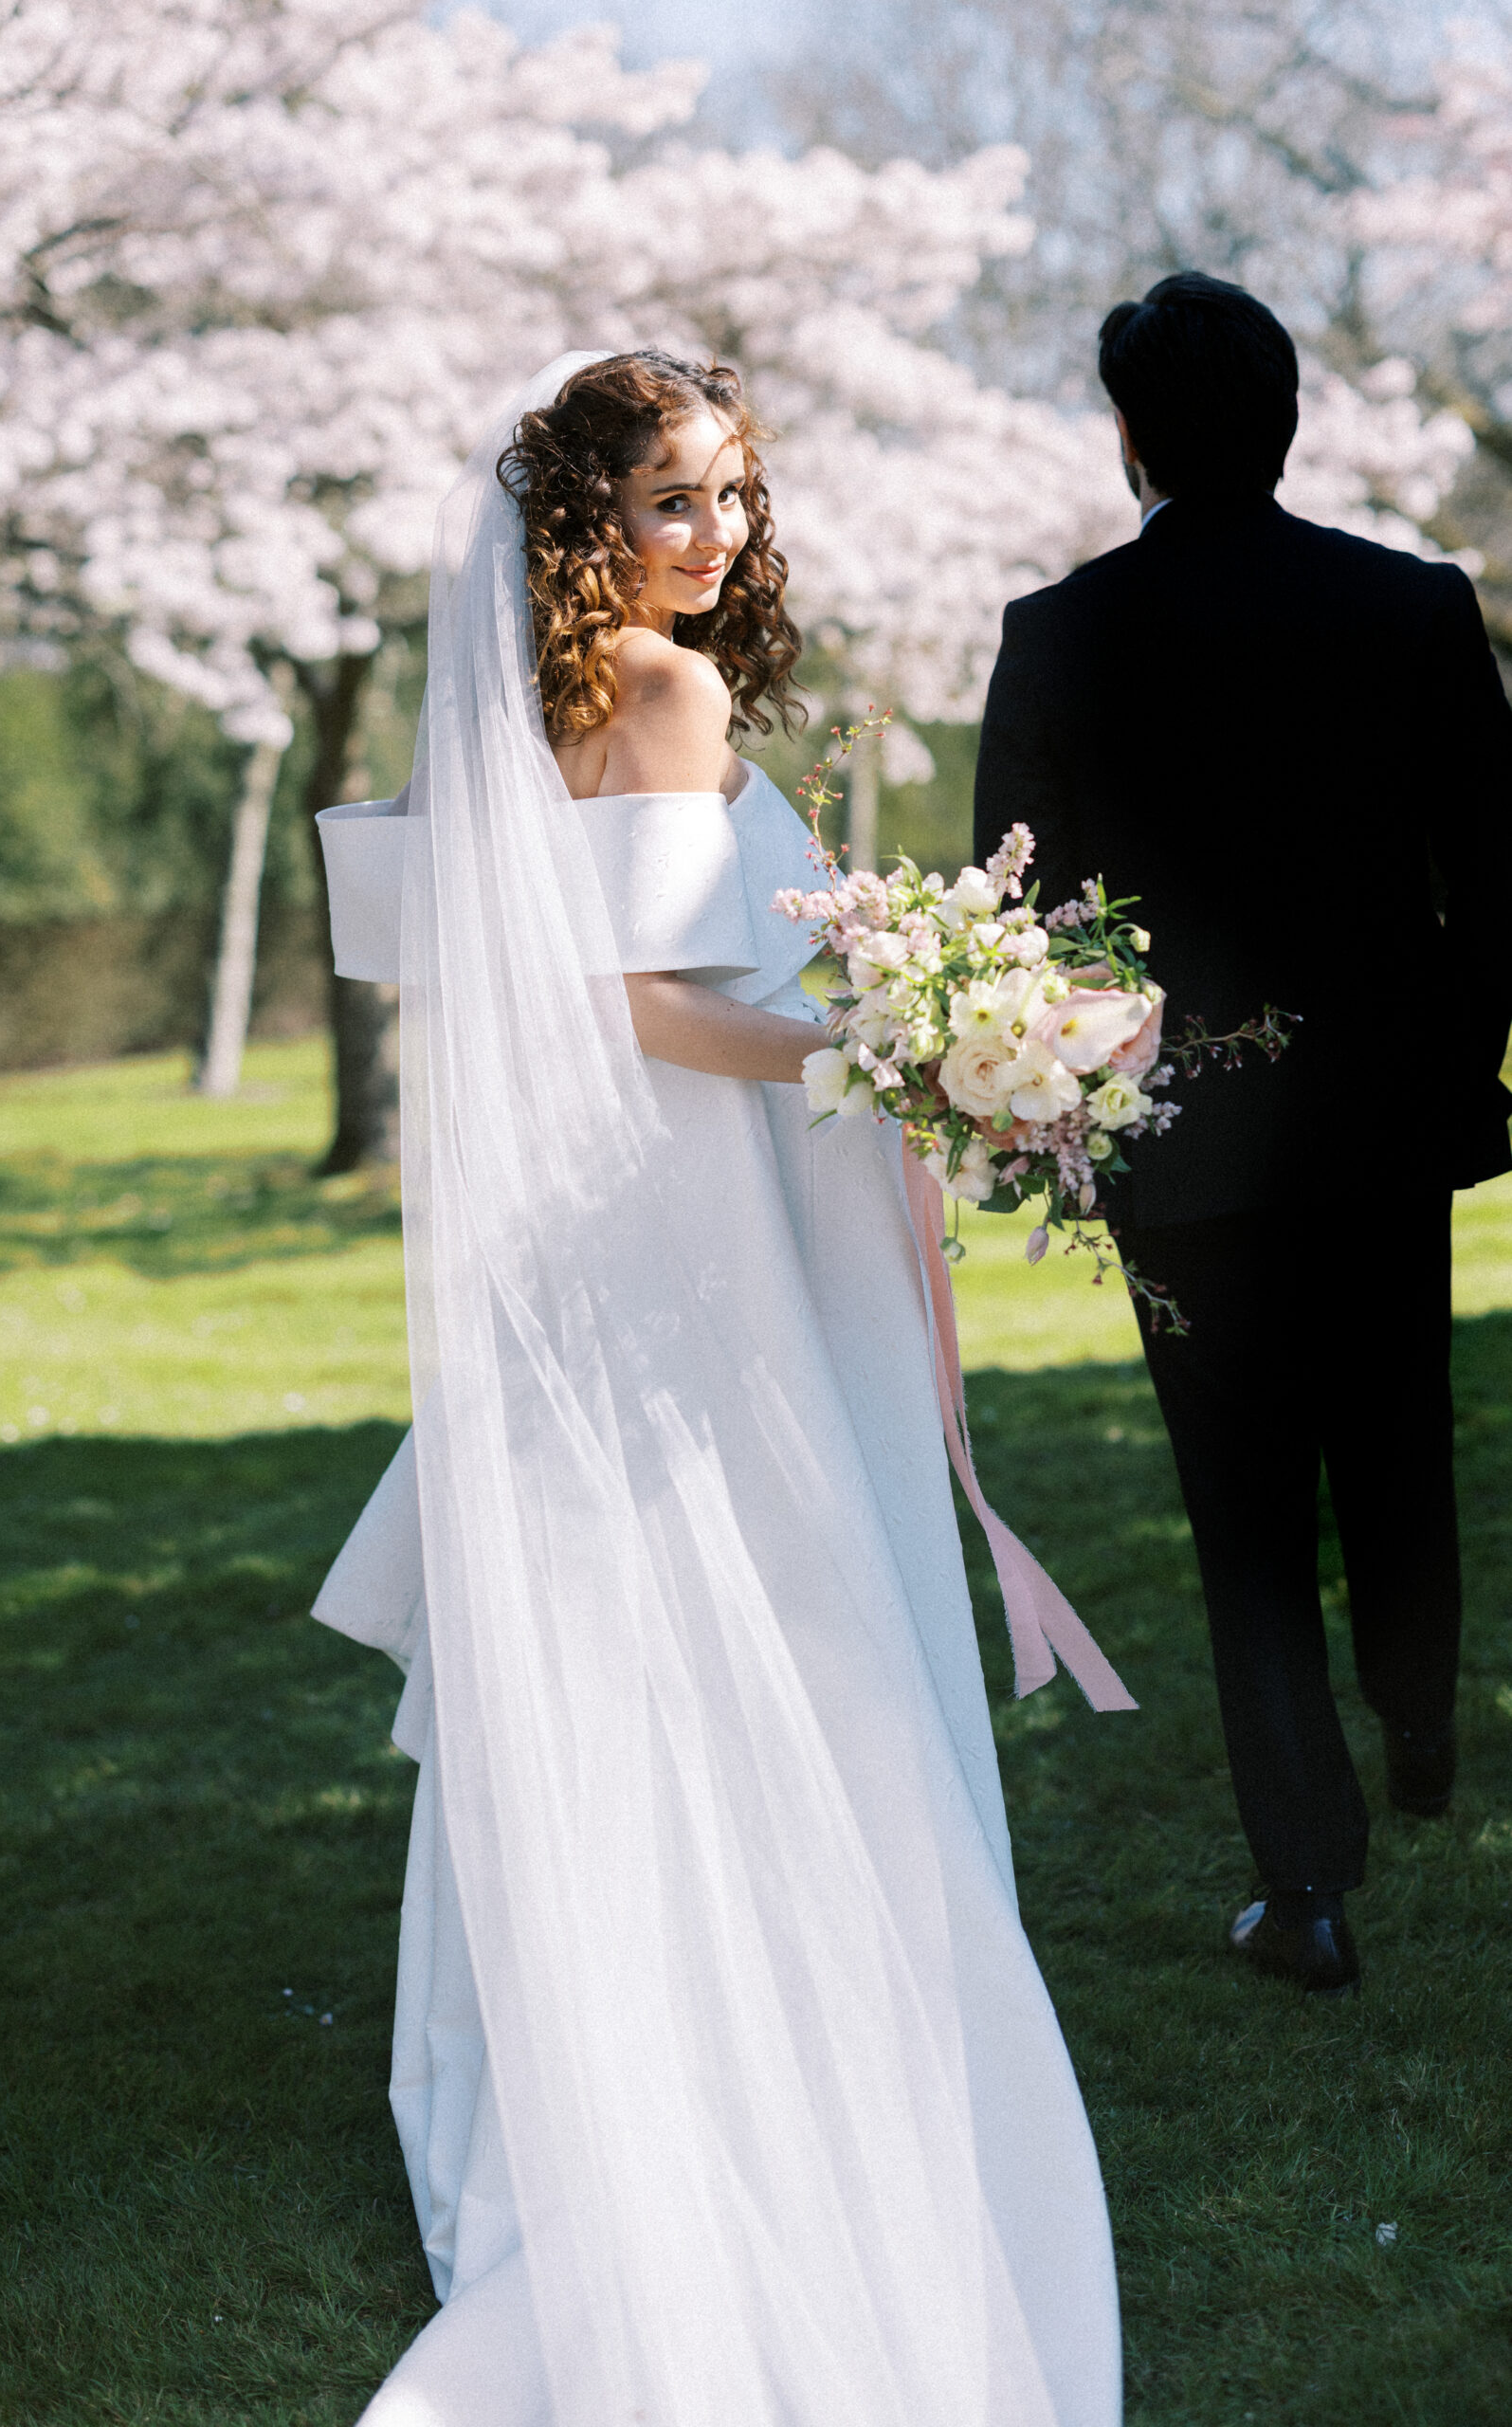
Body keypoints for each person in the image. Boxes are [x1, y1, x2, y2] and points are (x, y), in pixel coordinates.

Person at [311, 350, 1122, 2425]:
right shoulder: (659, 699)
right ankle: (783, 2060)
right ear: (583, 516)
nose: (714, 537)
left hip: (602, 1245)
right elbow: (652, 1008)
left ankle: (617, 2057)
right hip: (701, 1233)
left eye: (732, 495)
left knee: (654, 1630)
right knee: (783, 1615)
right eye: (669, 500)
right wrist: (901, 1054)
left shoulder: (551, 703)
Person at [975, 271, 1512, 1996]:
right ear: (1289, 420)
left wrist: (1062, 1099)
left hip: (1177, 1136)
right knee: (1399, 1436)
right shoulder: (1415, 610)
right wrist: (1456, 1064)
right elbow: (1496, 881)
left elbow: (1021, 911)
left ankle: (1306, 1886)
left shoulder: (1055, 635)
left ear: (1126, 434)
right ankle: (1421, 1730)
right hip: (1379, 1127)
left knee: (1245, 1505)